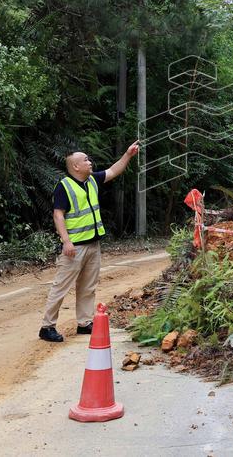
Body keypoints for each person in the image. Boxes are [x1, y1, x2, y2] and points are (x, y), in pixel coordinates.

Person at [38, 143, 139, 342]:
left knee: (88, 286)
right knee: (61, 287)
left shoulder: (92, 180)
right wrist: (66, 242)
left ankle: (84, 323)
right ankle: (47, 327)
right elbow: (58, 215)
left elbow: (113, 171)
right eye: (85, 160)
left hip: (93, 244)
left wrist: (128, 155)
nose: (89, 162)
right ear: (75, 166)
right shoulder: (64, 186)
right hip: (74, 248)